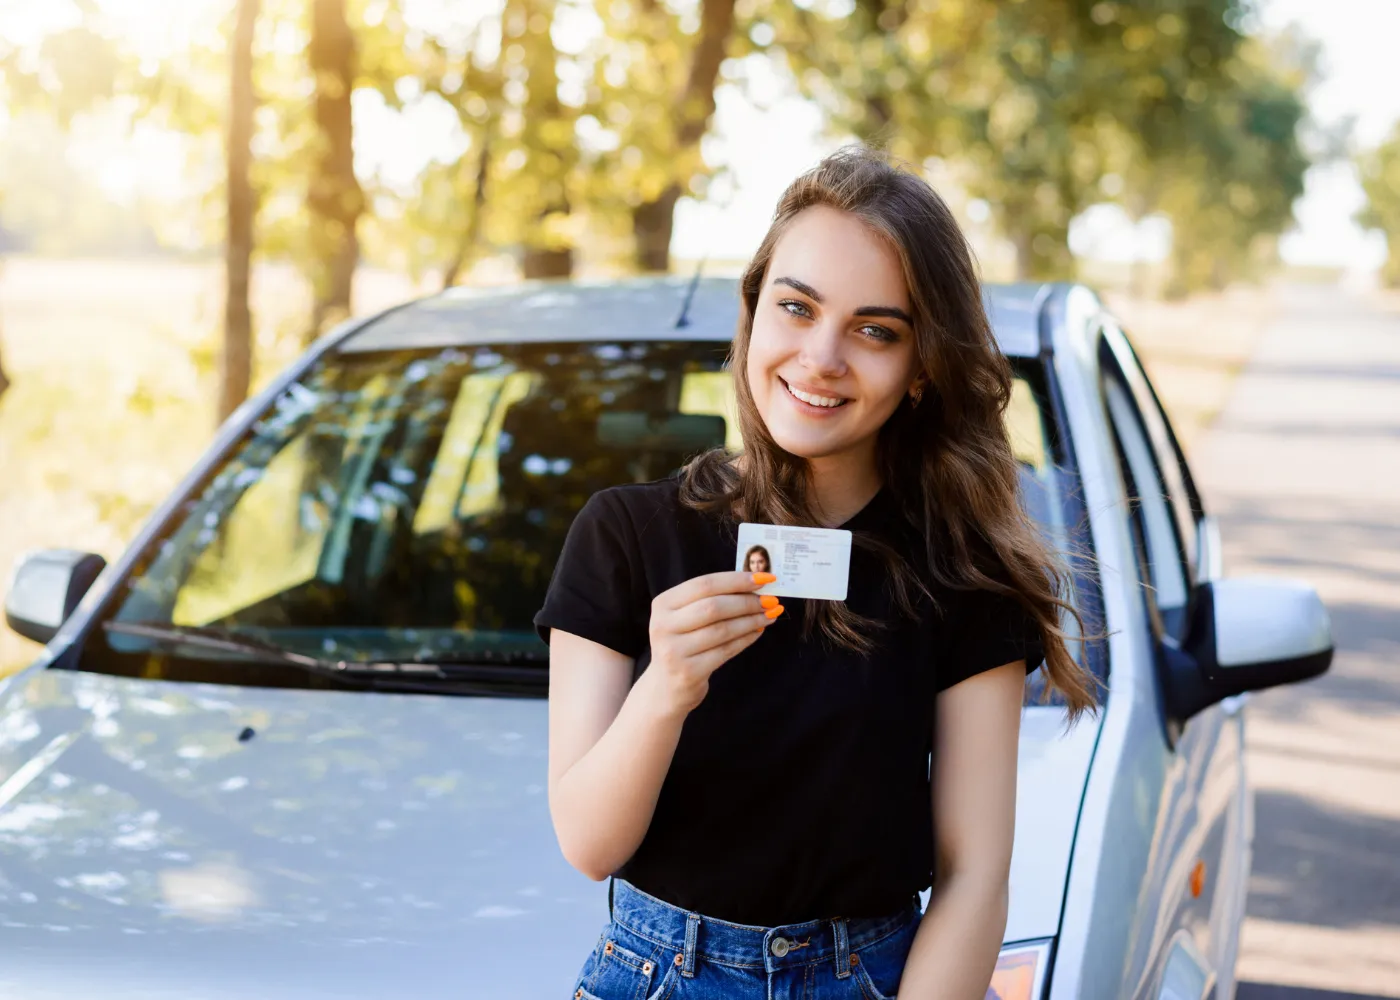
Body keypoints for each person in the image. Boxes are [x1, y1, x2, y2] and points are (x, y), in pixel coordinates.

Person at [536, 145, 1098, 1000]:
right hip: (653, 976)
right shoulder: (625, 534)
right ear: (754, 313)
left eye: (876, 331)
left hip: (869, 977)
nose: (823, 357)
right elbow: (588, 846)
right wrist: (667, 688)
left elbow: (976, 876)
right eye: (796, 308)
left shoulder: (960, 574)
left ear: (919, 372)